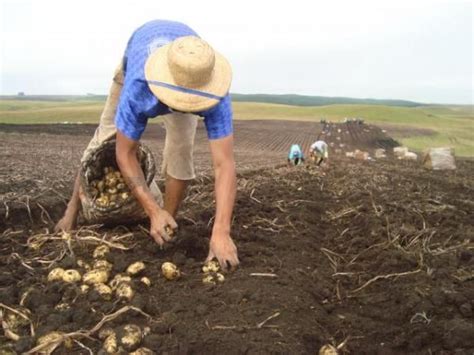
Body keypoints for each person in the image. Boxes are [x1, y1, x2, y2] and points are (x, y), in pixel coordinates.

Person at [55, 20, 239, 270]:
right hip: (136, 71)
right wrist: (151, 209)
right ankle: (71, 210)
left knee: (181, 153)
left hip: (189, 79)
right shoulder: (138, 86)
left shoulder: (212, 90)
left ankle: (167, 224)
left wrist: (221, 231)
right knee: (103, 140)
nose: (179, 106)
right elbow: (124, 152)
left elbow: (224, 163)